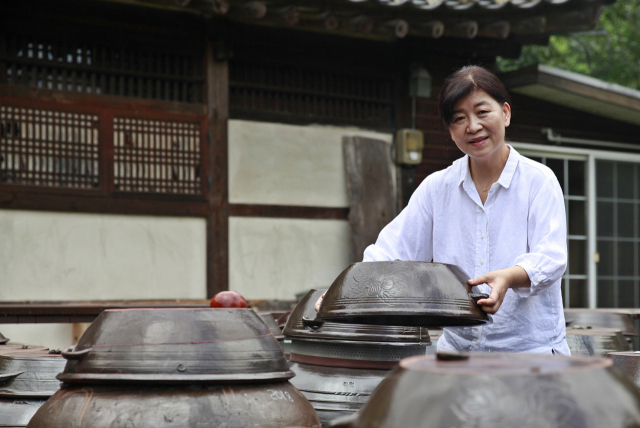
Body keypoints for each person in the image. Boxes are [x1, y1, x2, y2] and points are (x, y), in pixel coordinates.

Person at [317, 65, 569, 355]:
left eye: (482, 112)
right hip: (457, 355)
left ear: (506, 113)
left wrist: (509, 277)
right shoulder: (437, 188)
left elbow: (550, 257)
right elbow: (393, 249)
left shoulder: (539, 180)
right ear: (451, 132)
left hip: (529, 354)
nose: (472, 126)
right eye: (459, 118)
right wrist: (346, 291)